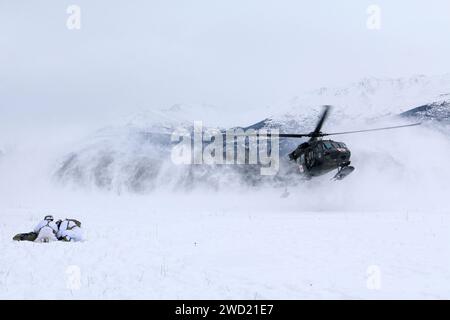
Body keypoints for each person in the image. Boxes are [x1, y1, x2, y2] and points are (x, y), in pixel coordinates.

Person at [13, 215, 83, 242]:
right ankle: (48, 239)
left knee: (37, 239)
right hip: (52, 236)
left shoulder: (42, 222)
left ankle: (43, 239)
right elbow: (57, 233)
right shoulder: (54, 224)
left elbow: (35, 230)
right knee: (55, 239)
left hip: (41, 234)